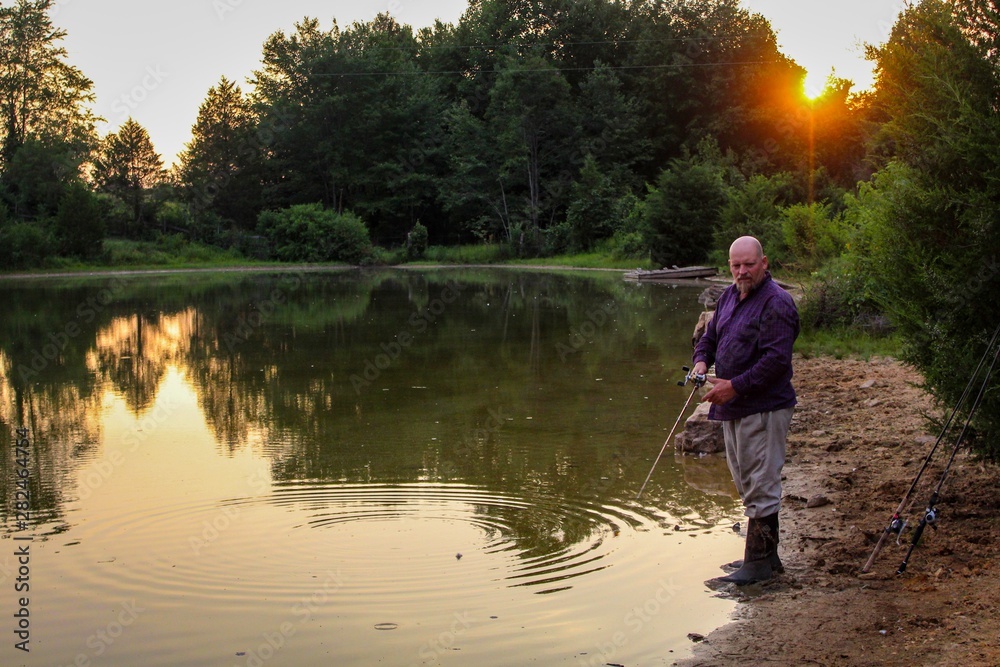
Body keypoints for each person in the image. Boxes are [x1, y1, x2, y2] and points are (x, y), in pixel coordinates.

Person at [691, 236, 799, 585]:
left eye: (748, 264)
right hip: (733, 404)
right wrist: (701, 362)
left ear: (764, 263)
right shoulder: (728, 296)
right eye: (736, 265)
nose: (742, 271)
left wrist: (733, 386)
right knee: (745, 479)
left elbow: (776, 361)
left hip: (764, 407)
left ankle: (758, 566)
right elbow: (709, 338)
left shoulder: (777, 302)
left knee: (761, 481)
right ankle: (767, 558)